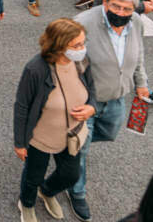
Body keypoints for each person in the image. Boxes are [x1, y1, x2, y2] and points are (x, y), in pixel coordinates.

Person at [67, 0, 151, 222]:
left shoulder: (135, 23)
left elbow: (139, 53)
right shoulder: (82, 24)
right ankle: (77, 191)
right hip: (86, 100)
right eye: (116, 7)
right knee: (81, 151)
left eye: (127, 9)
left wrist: (142, 83)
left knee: (111, 133)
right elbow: (64, 61)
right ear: (104, 1)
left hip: (116, 96)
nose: (122, 14)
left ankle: (69, 148)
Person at [14, 18, 97, 222]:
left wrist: (91, 107)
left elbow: (93, 88)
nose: (82, 49)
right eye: (76, 45)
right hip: (41, 138)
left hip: (72, 134)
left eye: (83, 43)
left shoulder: (81, 61)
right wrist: (20, 142)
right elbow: (22, 106)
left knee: (70, 175)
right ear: (59, 45)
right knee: (33, 177)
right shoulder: (36, 69)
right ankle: (26, 203)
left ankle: (47, 192)